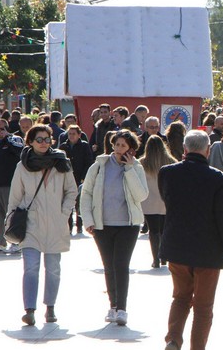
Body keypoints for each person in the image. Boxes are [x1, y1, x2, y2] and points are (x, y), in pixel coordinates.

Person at [159, 130, 223, 350]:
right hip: (208, 251)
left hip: (177, 246)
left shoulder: (167, 173)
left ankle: (173, 339)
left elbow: (167, 200)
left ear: (184, 149)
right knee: (203, 307)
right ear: (208, 150)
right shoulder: (218, 178)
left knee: (180, 298)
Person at [9, 124, 78, 326]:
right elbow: (15, 196)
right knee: (31, 267)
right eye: (39, 139)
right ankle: (29, 310)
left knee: (53, 268)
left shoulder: (61, 163)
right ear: (30, 141)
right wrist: (11, 220)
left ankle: (50, 307)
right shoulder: (23, 166)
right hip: (31, 224)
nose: (44, 143)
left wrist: (63, 212)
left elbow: (72, 191)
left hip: (56, 225)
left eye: (47, 139)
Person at [80, 130, 149, 326]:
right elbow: (86, 194)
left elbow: (141, 195)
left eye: (123, 146)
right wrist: (88, 220)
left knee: (121, 265)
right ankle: (112, 305)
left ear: (131, 150)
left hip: (128, 225)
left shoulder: (136, 167)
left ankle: (122, 309)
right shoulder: (99, 166)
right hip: (102, 225)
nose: (119, 149)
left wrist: (129, 170)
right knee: (108, 266)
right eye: (117, 145)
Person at [139, 135, 177, 268]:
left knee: (153, 231)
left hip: (149, 202)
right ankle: (164, 257)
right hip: (166, 200)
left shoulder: (142, 163)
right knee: (165, 230)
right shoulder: (171, 161)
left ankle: (155, 259)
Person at [0, 118, 24, 253]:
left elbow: (19, 151)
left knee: (11, 215)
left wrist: (7, 138)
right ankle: (0, 242)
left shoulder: (14, 140)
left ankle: (15, 241)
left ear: (5, 128)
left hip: (10, 184)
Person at [58, 125, 94, 234]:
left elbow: (88, 163)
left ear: (79, 135)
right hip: (67, 178)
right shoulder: (64, 146)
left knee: (79, 202)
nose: (71, 136)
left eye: (74, 134)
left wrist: (84, 178)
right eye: (69, 134)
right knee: (67, 202)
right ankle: (68, 225)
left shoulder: (84, 146)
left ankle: (79, 225)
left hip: (80, 177)